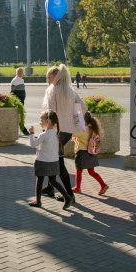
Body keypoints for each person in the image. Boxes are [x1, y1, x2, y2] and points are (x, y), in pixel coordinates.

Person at [42, 64, 86, 204]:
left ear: (57, 76)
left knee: (59, 163)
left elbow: (51, 113)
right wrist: (76, 125)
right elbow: (83, 108)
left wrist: (47, 132)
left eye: (50, 76)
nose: (48, 79)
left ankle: (69, 195)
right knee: (54, 159)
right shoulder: (70, 90)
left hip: (56, 131)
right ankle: (50, 188)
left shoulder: (52, 90)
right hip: (67, 131)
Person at [27, 110, 72, 209]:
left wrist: (31, 133)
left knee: (39, 181)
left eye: (41, 120)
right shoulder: (55, 134)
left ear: (48, 121)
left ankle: (38, 202)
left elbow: (33, 144)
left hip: (43, 161)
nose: (40, 122)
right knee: (53, 181)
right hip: (53, 161)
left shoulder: (44, 135)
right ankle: (67, 197)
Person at [72, 112, 108, 195]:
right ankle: (103, 185)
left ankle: (77, 188)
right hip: (91, 152)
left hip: (82, 152)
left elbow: (72, 133)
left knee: (79, 170)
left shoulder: (82, 130)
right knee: (91, 172)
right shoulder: (93, 128)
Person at [10, 67, 29, 136]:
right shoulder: (15, 80)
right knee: (20, 115)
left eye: (22, 72)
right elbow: (12, 92)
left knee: (21, 115)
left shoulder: (21, 80)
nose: (22, 73)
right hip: (18, 101)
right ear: (17, 73)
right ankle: (23, 130)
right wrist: (16, 101)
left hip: (21, 100)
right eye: (20, 72)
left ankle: (22, 129)